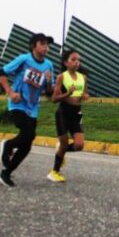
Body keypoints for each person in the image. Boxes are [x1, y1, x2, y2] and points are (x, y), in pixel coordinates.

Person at [0, 33, 55, 187]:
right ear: (34, 45)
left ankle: (6, 173)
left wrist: (49, 83)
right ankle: (8, 145)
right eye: (42, 44)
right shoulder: (24, 59)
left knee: (27, 144)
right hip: (17, 104)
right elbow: (1, 73)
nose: (46, 47)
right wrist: (10, 92)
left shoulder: (49, 65)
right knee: (29, 134)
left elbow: (48, 92)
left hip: (33, 107)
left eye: (47, 45)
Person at [48, 49, 89, 182]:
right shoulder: (62, 77)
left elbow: (85, 94)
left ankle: (61, 150)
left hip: (77, 113)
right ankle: (54, 172)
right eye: (73, 59)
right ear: (66, 62)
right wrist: (67, 93)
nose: (77, 62)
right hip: (63, 112)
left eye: (78, 60)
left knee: (79, 145)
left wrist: (84, 96)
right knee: (64, 143)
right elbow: (54, 99)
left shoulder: (83, 78)